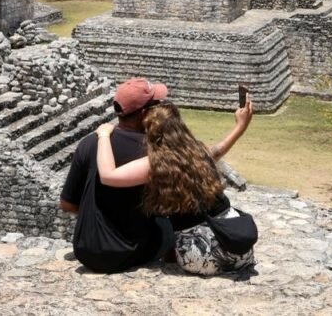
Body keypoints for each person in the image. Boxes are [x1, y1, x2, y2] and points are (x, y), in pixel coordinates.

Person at [95, 97, 254, 275]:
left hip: (201, 259)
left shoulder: (156, 164)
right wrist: (241, 126)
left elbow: (108, 176)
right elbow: (219, 149)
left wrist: (103, 135)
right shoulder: (198, 152)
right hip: (240, 249)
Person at [59, 77, 169, 273]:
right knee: (168, 225)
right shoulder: (152, 150)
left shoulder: (89, 143)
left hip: (87, 251)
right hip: (131, 251)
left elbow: (67, 204)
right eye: (156, 105)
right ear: (145, 114)